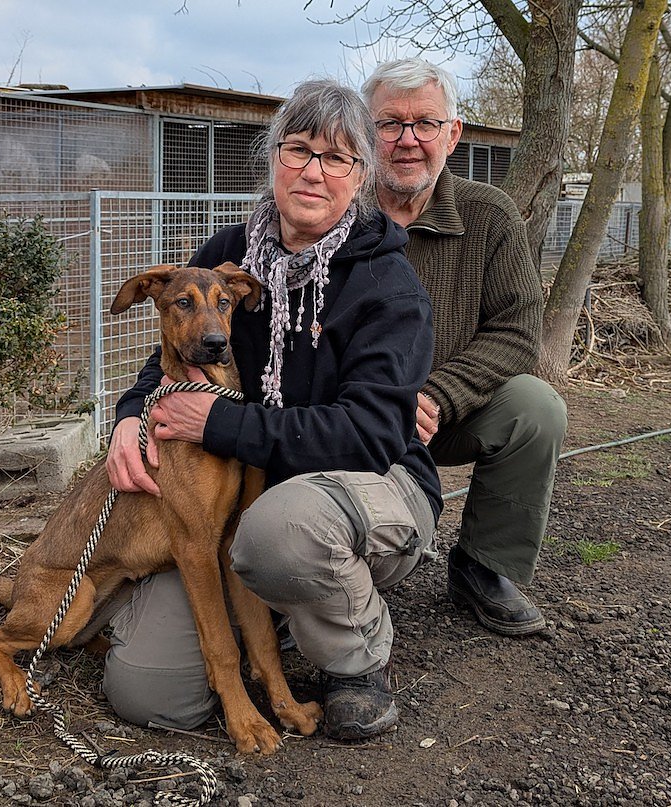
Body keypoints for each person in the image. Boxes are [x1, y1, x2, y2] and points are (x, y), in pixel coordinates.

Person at [102, 78, 442, 741]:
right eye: (299, 150)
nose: (313, 171)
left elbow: (371, 435)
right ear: (273, 158)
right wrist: (130, 415)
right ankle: (270, 601)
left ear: (361, 176)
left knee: (277, 530)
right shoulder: (226, 256)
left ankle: (354, 657)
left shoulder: (387, 284)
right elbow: (174, 356)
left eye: (336, 157)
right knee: (148, 693)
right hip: (243, 503)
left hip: (373, 484)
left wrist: (220, 423)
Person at [362, 58, 568, 637]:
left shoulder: (489, 215)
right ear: (364, 132)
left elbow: (517, 330)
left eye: (425, 123)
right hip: (348, 412)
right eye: (389, 123)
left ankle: (483, 565)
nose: (407, 140)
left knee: (535, 408)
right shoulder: (337, 213)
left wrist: (435, 396)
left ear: (452, 135)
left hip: (442, 416)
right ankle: (310, 574)